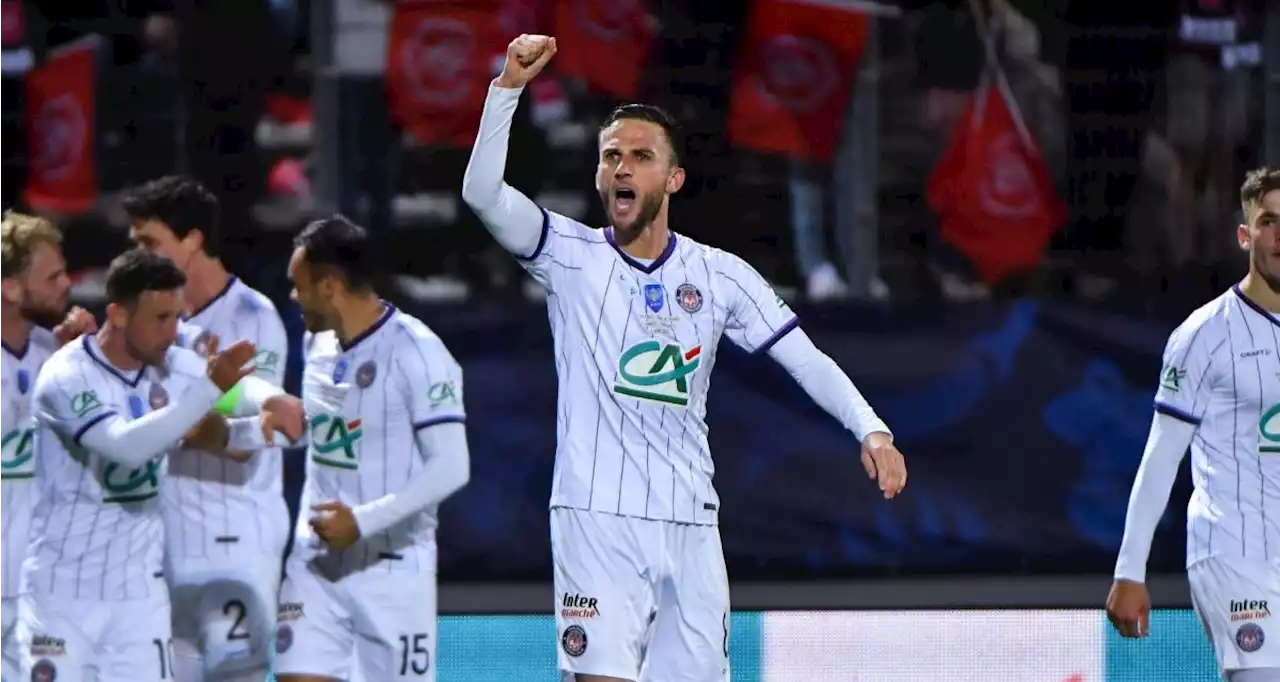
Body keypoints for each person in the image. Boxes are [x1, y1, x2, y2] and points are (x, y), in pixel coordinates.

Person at [461, 34, 908, 682]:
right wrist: (507, 89)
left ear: (672, 179)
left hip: (691, 521)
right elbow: (481, 194)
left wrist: (871, 428)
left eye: (640, 157)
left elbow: (804, 358)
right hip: (596, 517)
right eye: (611, 155)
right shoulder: (568, 255)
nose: (621, 167)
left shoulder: (720, 275)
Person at [14, 248, 284, 682]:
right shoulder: (66, 376)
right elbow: (126, 447)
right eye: (161, 318)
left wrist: (274, 402)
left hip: (141, 599)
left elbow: (240, 392)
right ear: (118, 315)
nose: (173, 331)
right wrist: (209, 390)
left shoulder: (172, 363)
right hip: (61, 599)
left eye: (178, 317)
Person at [273, 215, 471, 682]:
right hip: (314, 563)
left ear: (329, 285)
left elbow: (452, 467)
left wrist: (361, 522)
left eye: (298, 285)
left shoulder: (418, 353)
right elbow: (333, 428)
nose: (292, 296)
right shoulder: (315, 343)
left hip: (392, 570)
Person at [1108, 167, 1280, 682]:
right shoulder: (1204, 336)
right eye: (1269, 222)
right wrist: (1128, 569)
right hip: (1234, 552)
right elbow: (1162, 456)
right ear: (1245, 235)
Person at [122, 175, 293, 682]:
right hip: (165, 544)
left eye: (149, 243)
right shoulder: (147, 324)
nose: (138, 257)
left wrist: (172, 423)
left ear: (193, 240)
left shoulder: (251, 318)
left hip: (234, 538)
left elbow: (249, 436)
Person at [0, 212, 94, 682]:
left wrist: (91, 363)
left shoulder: (60, 357)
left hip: (45, 584)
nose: (67, 286)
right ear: (11, 289)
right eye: (53, 277)